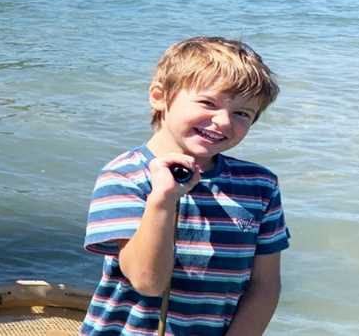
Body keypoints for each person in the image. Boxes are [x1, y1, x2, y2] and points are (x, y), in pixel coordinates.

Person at [81, 37, 290, 336]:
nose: (222, 121)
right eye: (208, 102)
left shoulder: (260, 186)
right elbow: (147, 281)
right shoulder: (125, 176)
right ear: (159, 96)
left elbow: (265, 286)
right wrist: (162, 200)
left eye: (242, 113)